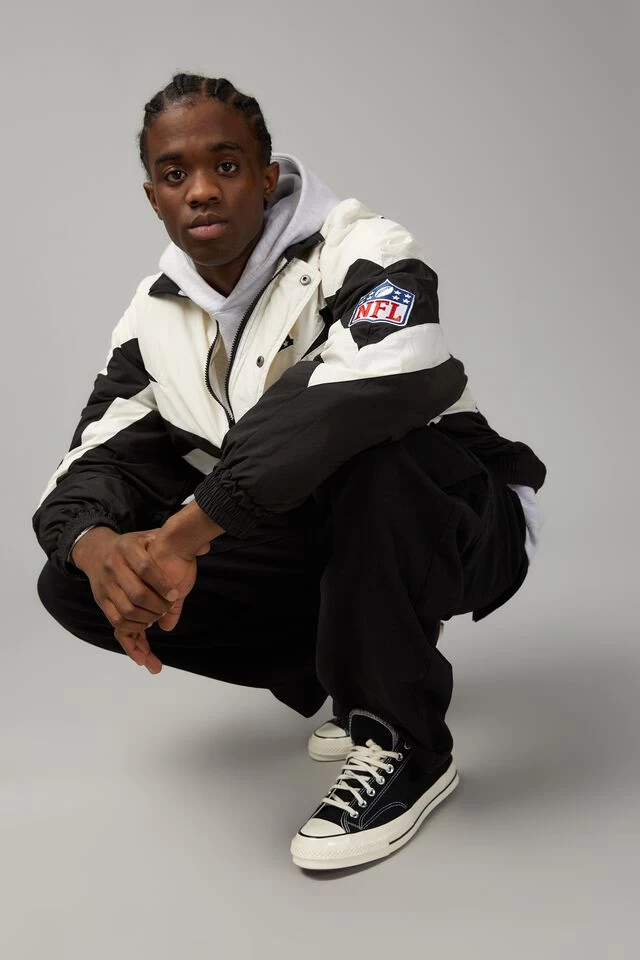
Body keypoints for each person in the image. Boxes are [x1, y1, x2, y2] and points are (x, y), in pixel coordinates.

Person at [33, 73, 546, 872]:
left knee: (371, 452)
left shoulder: (362, 247)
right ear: (154, 198)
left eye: (226, 165)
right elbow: (95, 453)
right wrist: (99, 546)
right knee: (75, 579)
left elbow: (383, 377)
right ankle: (352, 659)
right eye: (175, 173)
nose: (202, 190)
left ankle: (407, 745)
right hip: (320, 535)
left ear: (267, 177)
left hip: (460, 520)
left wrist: (187, 531)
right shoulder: (153, 314)